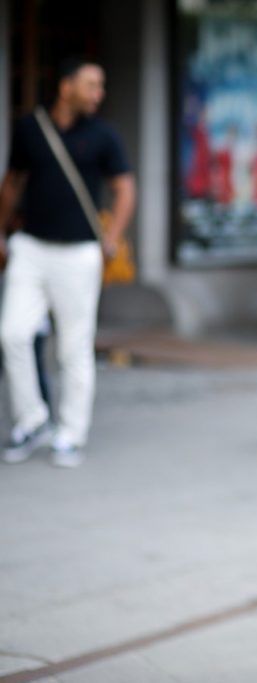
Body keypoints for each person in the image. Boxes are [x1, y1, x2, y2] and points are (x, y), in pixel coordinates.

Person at [0, 57, 135, 467]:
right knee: (12, 334)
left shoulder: (103, 135)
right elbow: (12, 183)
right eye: (91, 85)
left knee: (74, 347)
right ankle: (32, 420)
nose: (99, 93)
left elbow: (125, 189)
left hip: (79, 252)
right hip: (30, 247)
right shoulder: (31, 128)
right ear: (66, 87)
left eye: (101, 85)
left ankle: (71, 434)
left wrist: (111, 238)